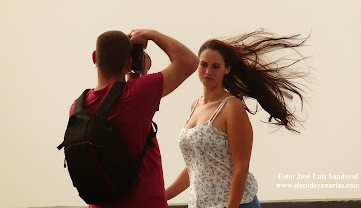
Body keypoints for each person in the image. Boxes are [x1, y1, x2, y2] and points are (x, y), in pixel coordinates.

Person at [166, 29, 309, 208]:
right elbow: (196, 167)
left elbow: (241, 167)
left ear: (227, 69)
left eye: (215, 66)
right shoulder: (195, 104)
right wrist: (163, 196)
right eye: (203, 64)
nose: (208, 71)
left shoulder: (231, 107)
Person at [69, 29, 199, 208]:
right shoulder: (137, 94)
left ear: (94, 57)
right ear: (129, 62)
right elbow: (189, 62)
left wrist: (136, 77)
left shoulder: (77, 107)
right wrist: (151, 34)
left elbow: (118, 102)